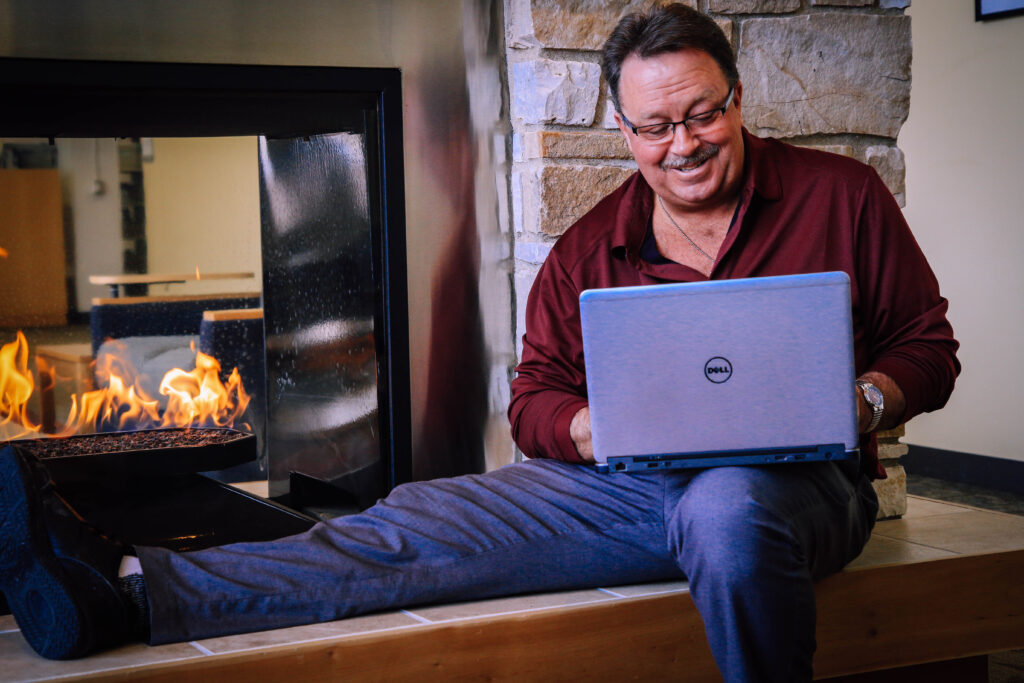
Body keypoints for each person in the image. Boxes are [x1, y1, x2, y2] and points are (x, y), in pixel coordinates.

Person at [0, 5, 958, 680]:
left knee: (725, 513)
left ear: (738, 99)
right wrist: (589, 430)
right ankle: (127, 588)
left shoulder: (842, 196)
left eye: (703, 113)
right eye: (657, 125)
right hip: (622, 488)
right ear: (623, 129)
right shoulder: (591, 246)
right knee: (409, 523)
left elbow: (928, 343)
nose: (685, 143)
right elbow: (534, 398)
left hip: (797, 489)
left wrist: (862, 399)